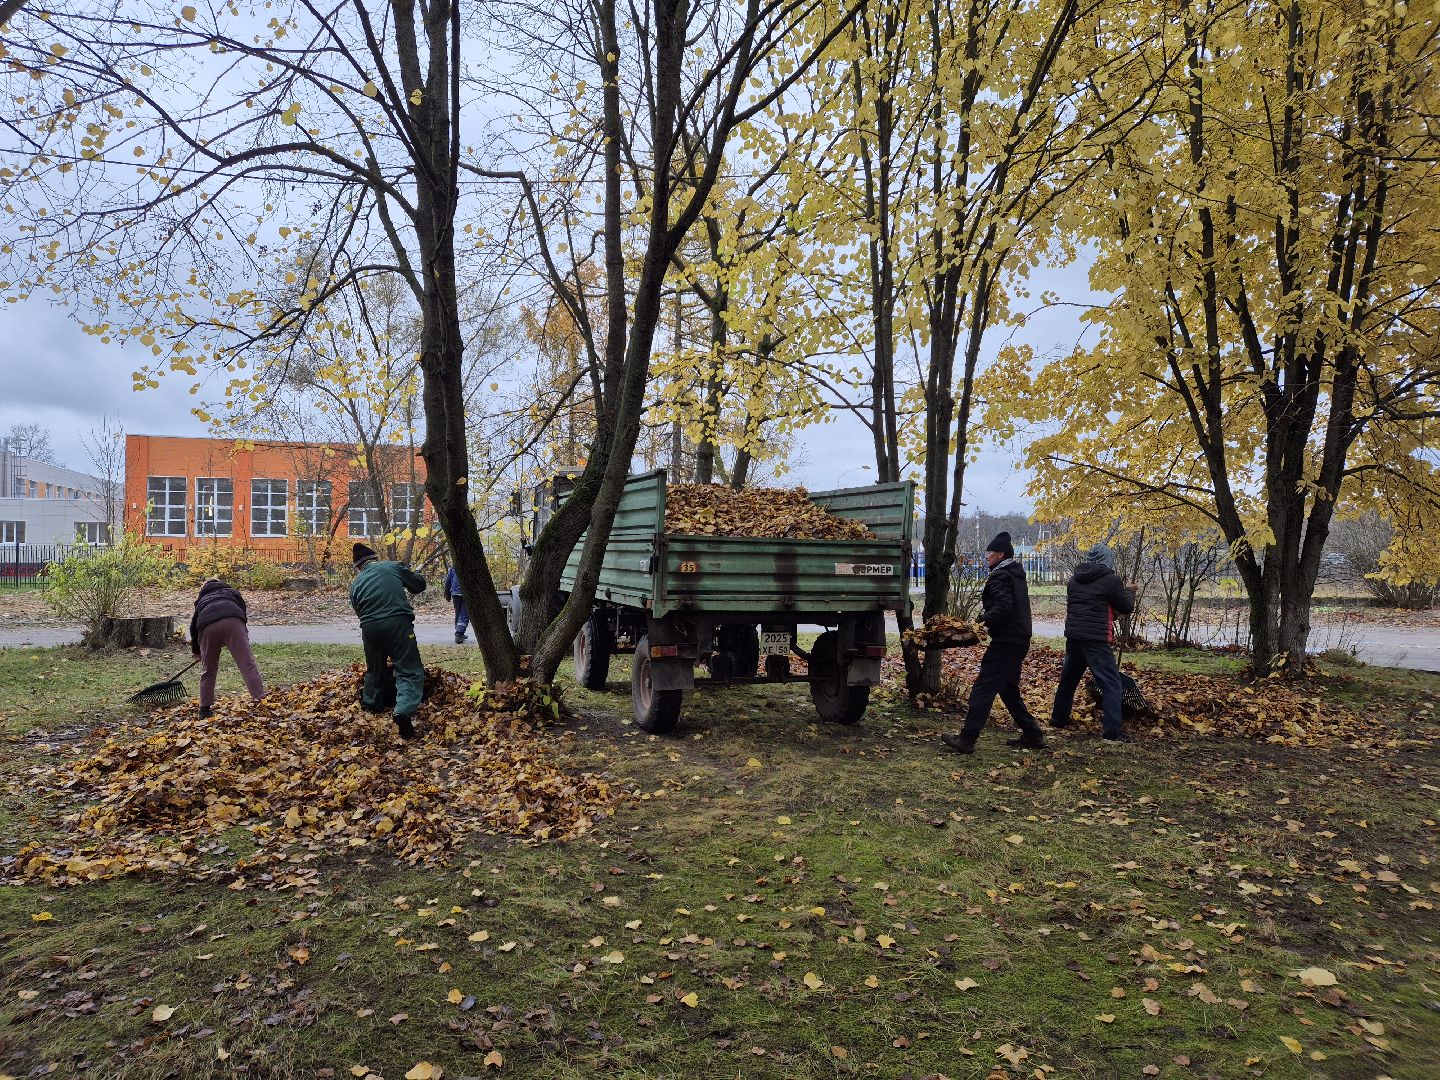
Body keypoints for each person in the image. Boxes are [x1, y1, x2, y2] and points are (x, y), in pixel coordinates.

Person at [941, 533, 1046, 754]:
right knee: (1007, 688)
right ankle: (1033, 734)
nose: (987, 556)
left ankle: (966, 739)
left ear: (1001, 554)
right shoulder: (1014, 573)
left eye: (990, 552)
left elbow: (1003, 607)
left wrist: (980, 622)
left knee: (984, 687)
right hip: (1018, 638)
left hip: (1008, 640)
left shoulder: (1002, 575)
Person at [1049, 542, 1137, 742]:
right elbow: (1126, 606)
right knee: (1111, 683)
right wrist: (1130, 591)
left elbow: (1092, 606)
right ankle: (1111, 732)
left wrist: (1112, 614)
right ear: (1107, 560)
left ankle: (1058, 719)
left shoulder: (1074, 580)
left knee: (1068, 681)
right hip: (1096, 640)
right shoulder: (1111, 580)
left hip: (1074, 637)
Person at [349, 542, 427, 740]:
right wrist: (412, 573)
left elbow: (359, 612)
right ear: (375, 558)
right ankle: (403, 710)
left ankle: (371, 706)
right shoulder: (392, 566)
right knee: (409, 669)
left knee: (375, 668)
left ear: (358, 566)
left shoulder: (355, 584)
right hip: (398, 624)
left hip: (369, 629)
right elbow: (419, 585)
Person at [189, 577, 265, 719]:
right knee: (247, 664)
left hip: (207, 627)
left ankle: (204, 709)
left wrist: (197, 651)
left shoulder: (201, 600)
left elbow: (193, 628)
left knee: (208, 670)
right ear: (221, 584)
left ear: (204, 589)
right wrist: (241, 633)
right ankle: (261, 701)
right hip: (233, 622)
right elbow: (242, 611)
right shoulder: (232, 592)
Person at [444, 565, 469, 644]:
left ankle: (459, 632)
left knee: (458, 613)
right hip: (466, 593)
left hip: (455, 593)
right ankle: (459, 633)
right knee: (464, 613)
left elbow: (448, 581)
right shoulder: (470, 566)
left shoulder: (454, 567)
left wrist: (447, 593)